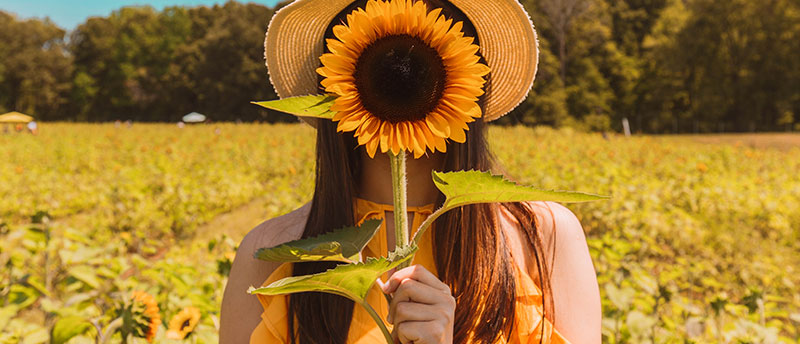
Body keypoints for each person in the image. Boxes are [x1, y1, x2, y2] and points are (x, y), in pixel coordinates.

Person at [221, 0, 601, 343]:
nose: (401, 68)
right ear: (334, 86)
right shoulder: (267, 255)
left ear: (469, 81)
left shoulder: (543, 238)